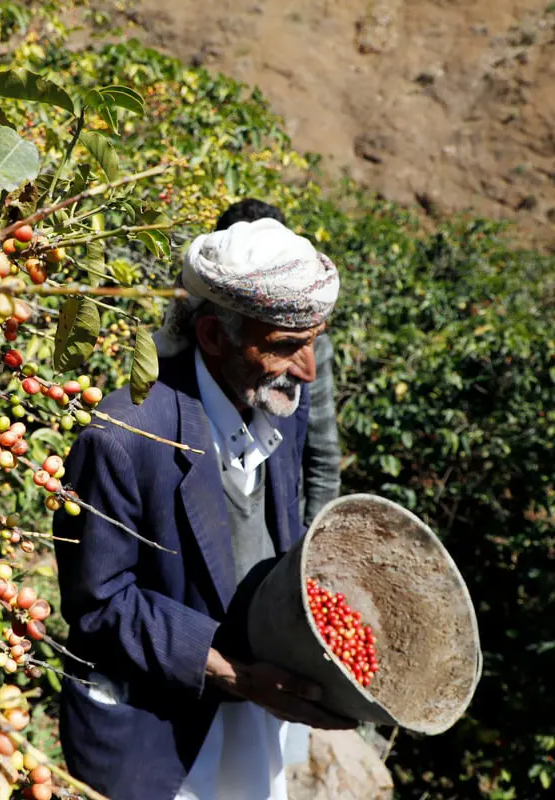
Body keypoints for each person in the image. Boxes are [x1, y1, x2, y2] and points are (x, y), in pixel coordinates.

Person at [53, 218, 355, 800]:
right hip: (158, 728)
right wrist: (232, 675)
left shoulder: (277, 404)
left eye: (315, 340)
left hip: (253, 703)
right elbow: (98, 605)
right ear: (215, 336)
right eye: (288, 345)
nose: (309, 370)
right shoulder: (124, 437)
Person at [215, 199, 341, 526]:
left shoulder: (314, 348)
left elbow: (323, 460)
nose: (305, 370)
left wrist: (309, 553)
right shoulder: (209, 345)